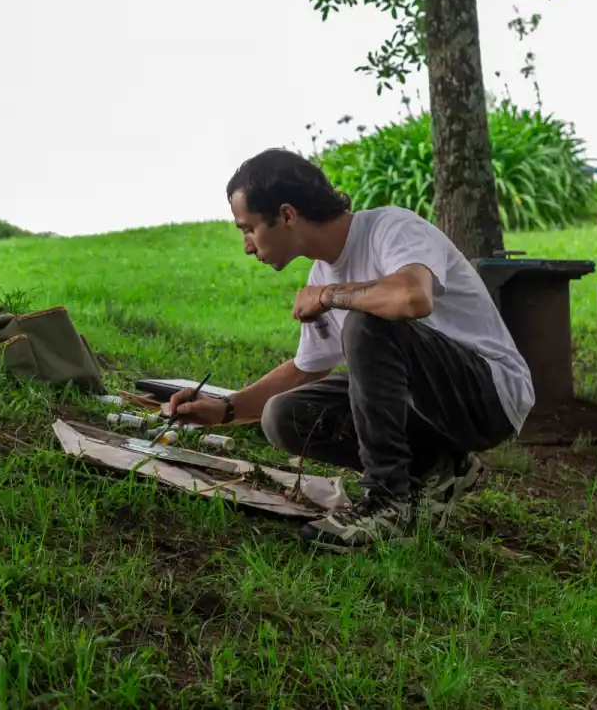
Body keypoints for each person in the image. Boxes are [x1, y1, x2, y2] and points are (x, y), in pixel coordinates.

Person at [168, 148, 533, 552]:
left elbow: (413, 298)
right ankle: (438, 465)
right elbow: (306, 369)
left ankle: (388, 502)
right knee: (282, 415)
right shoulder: (322, 271)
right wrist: (226, 408)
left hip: (489, 396)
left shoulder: (391, 228)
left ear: (287, 215)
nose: (247, 246)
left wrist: (329, 296)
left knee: (369, 318)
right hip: (426, 405)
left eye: (248, 228)